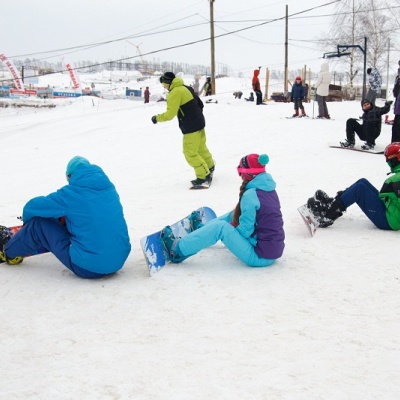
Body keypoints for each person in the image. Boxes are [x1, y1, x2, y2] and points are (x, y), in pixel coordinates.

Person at [0, 156, 131, 278]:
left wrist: (27, 225)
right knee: (76, 217)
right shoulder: (109, 190)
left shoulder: (70, 194)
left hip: (89, 268)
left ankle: (9, 253)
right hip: (119, 261)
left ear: (70, 176)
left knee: (38, 223)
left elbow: (32, 207)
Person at [160, 153, 285, 267]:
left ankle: (177, 250)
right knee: (234, 214)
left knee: (221, 228)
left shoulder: (250, 195)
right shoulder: (268, 189)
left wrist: (232, 228)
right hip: (269, 251)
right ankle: (203, 231)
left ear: (247, 173)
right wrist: (233, 223)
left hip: (259, 255)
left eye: (240, 171)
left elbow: (246, 231)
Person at [307, 142, 400, 231]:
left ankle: (328, 215)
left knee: (359, 189)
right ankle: (334, 203)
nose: (388, 163)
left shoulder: (397, 180)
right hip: (391, 211)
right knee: (363, 182)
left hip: (389, 221)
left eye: (389, 160)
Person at [151, 72, 215, 186]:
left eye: (164, 84)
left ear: (169, 82)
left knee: (189, 152)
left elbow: (170, 114)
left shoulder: (175, 92)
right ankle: (210, 167)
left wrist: (157, 118)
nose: (164, 87)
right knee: (200, 148)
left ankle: (203, 176)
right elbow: (200, 104)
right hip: (199, 122)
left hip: (191, 126)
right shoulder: (186, 87)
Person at [392, 74, 400, 142]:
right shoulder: (398, 81)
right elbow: (395, 93)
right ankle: (395, 144)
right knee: (396, 129)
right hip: (398, 111)